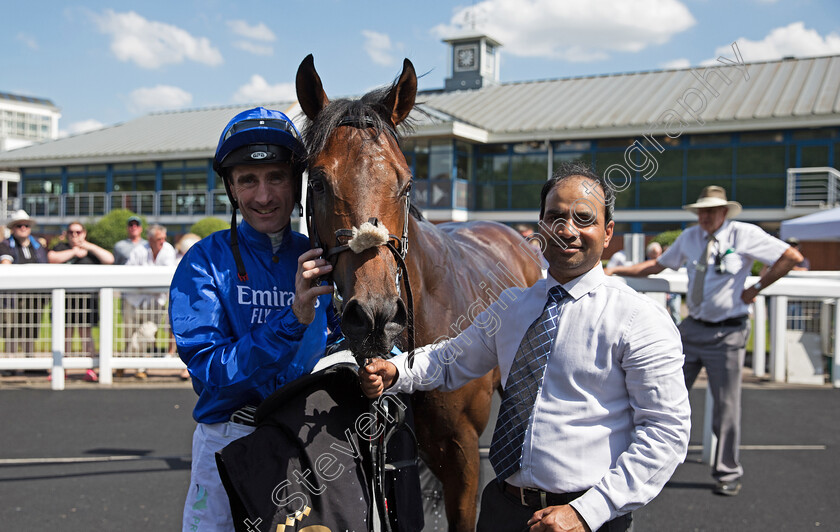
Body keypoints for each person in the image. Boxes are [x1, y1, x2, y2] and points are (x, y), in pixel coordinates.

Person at [361, 163, 690, 532]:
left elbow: (666, 433)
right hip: (504, 508)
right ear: (542, 227)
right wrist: (396, 371)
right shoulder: (512, 307)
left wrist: (588, 512)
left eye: (584, 219)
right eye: (555, 218)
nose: (568, 230)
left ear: (607, 232)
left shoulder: (639, 318)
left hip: (586, 518)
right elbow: (450, 358)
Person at [168, 107, 338, 532]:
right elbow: (210, 367)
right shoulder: (204, 262)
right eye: (248, 180)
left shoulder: (322, 259)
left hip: (305, 442)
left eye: (277, 177)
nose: (263, 196)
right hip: (228, 440)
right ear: (231, 187)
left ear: (296, 183)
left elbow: (346, 342)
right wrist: (293, 319)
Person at [606, 185, 803, 497]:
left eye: (711, 211)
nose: (705, 216)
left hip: (728, 332)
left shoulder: (743, 234)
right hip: (692, 328)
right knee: (654, 391)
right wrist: (614, 270)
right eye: (701, 211)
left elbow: (790, 256)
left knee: (726, 406)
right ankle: (646, 464)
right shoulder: (690, 237)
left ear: (724, 212)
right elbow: (656, 266)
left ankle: (727, 472)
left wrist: (757, 288)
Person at [48, 221, 115, 381]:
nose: (75, 235)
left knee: (86, 335)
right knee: (64, 335)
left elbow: (109, 259)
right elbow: (52, 258)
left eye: (78, 232)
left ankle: (90, 369)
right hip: (64, 300)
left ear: (84, 233)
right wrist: (73, 252)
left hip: (86, 301)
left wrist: (87, 246)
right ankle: (61, 368)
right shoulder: (61, 247)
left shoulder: (91, 250)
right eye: (71, 232)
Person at [124, 224, 176, 379]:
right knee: (129, 334)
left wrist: (144, 283)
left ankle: (123, 360)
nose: (162, 242)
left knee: (148, 334)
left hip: (155, 303)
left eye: (163, 239)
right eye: (159, 239)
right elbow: (128, 273)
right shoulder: (138, 250)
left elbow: (166, 277)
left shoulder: (168, 250)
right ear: (150, 239)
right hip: (133, 300)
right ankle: (140, 367)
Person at [0, 210, 49, 355]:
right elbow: (5, 263)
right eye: (19, 225)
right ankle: (11, 363)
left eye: (26, 225)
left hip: (34, 296)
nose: (23, 228)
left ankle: (30, 361)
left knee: (31, 328)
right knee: (11, 329)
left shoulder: (38, 246)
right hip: (12, 296)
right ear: (13, 228)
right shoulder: (6, 245)